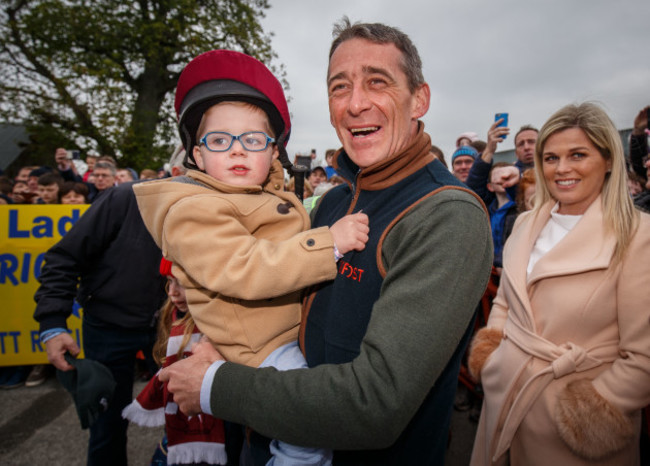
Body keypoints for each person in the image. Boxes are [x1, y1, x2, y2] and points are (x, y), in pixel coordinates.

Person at [159, 18, 493, 465]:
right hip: (273, 439)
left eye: (378, 82)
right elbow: (279, 301)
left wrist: (214, 385)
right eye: (340, 88)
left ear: (419, 99)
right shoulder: (335, 200)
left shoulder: (446, 214)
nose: (356, 104)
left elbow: (375, 404)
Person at [134, 48, 370, 465]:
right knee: (306, 419)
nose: (239, 151)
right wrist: (327, 243)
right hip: (258, 342)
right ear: (197, 155)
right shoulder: (194, 208)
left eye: (254, 140)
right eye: (221, 140)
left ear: (273, 153)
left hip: (274, 329)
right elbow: (246, 267)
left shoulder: (257, 197)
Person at [468, 102, 650, 466]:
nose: (562, 168)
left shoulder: (638, 236)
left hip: (571, 430)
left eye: (578, 155)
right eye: (550, 158)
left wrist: (592, 414)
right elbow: (505, 301)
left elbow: (643, 357)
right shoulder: (525, 223)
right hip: (504, 395)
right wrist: (491, 358)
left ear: (609, 160)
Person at [33, 179, 167, 466]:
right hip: (107, 326)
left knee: (194, 428)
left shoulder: (214, 204)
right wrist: (53, 324)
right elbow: (63, 258)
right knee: (106, 426)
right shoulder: (124, 198)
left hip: (174, 330)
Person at [122, 258, 228, 465]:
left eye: (181, 283)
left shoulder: (217, 331)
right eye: (169, 282)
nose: (172, 292)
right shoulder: (174, 319)